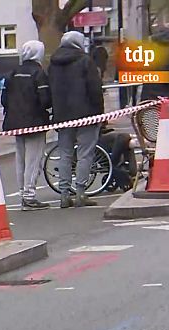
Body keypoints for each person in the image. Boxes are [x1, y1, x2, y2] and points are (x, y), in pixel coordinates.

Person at [48, 31, 104, 208]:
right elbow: (95, 89)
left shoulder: (53, 63)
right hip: (86, 114)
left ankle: (64, 194)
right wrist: (100, 114)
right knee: (84, 154)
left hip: (63, 116)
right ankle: (80, 192)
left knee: (65, 154)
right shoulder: (85, 61)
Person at [1, 40, 52, 211]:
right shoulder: (39, 74)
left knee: (20, 159)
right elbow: (45, 99)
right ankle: (29, 196)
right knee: (33, 160)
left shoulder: (13, 72)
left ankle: (23, 192)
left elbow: (4, 99)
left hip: (15, 122)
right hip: (35, 122)